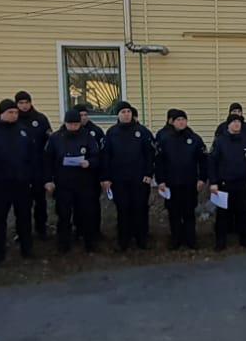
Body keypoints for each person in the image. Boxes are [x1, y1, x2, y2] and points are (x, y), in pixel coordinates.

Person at [0, 99, 39, 261]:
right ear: (1, 113)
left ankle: (27, 248)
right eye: (10, 112)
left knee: (24, 217)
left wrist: (31, 177)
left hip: (21, 183)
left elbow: (33, 157)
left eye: (16, 112)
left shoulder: (23, 131)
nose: (14, 115)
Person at [45, 109, 103, 253]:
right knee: (63, 214)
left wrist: (89, 163)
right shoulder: (56, 138)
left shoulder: (87, 137)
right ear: (65, 123)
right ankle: (63, 243)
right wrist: (48, 180)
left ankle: (89, 242)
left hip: (84, 182)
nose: (73, 127)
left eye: (76, 124)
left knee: (86, 213)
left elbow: (97, 156)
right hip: (63, 183)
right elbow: (47, 161)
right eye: (70, 124)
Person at [101, 102, 155, 251]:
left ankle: (141, 240)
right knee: (123, 210)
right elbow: (106, 156)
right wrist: (106, 178)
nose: (126, 114)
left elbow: (150, 154)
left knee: (140, 209)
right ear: (118, 115)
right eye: (123, 111)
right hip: (119, 179)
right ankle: (124, 240)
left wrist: (148, 174)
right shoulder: (112, 133)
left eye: (128, 111)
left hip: (139, 178)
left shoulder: (142, 131)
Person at [154, 110, 207, 250]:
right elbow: (159, 162)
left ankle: (191, 240)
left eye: (184, 119)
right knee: (174, 213)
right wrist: (161, 181)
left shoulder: (194, 139)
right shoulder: (166, 139)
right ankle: (175, 240)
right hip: (172, 184)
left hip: (190, 184)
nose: (181, 122)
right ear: (173, 122)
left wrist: (202, 178)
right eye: (178, 120)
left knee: (189, 212)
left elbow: (203, 160)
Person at [208, 112, 246, 250]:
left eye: (239, 122)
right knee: (223, 214)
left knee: (243, 212)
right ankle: (220, 241)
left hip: (242, 183)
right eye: (234, 122)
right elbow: (212, 162)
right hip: (224, 184)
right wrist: (213, 182)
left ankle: (245, 239)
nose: (237, 124)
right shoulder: (220, 141)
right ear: (228, 124)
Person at [14, 91, 52, 238]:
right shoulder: (14, 120)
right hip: (20, 169)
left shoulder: (40, 119)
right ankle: (22, 231)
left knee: (40, 201)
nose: (24, 106)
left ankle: (41, 228)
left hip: (38, 167)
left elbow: (49, 141)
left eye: (26, 102)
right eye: (21, 103)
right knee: (22, 203)